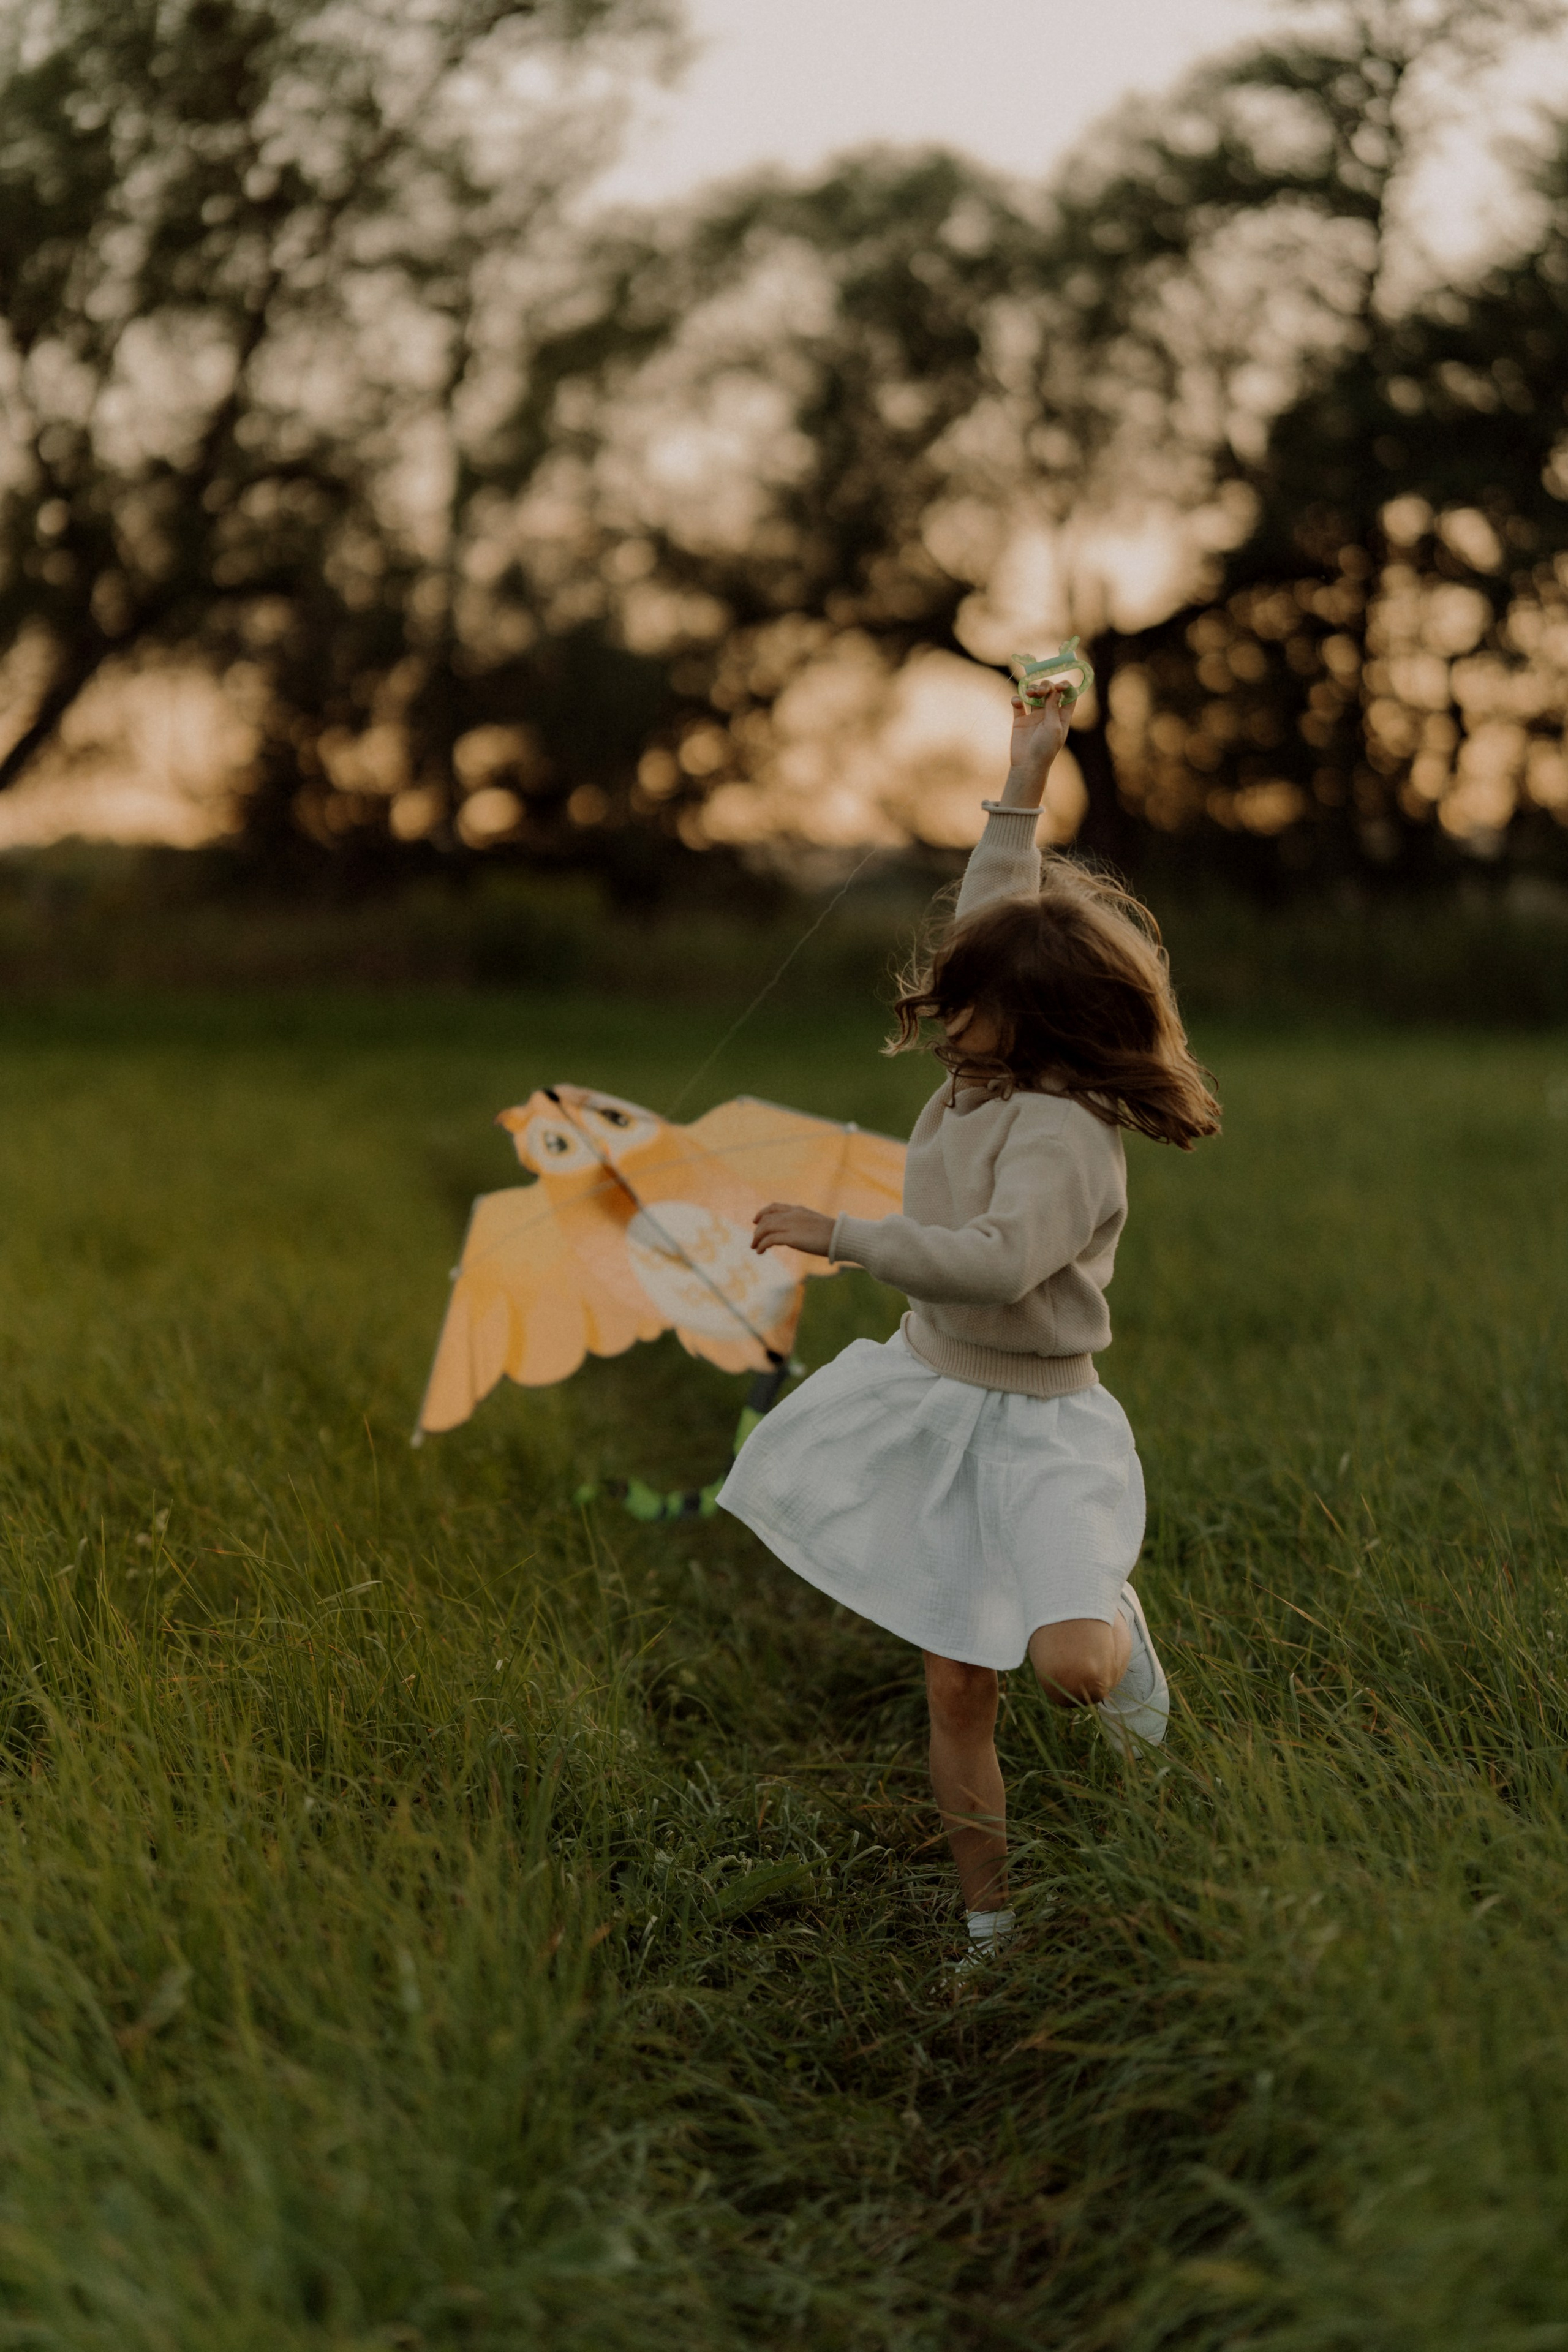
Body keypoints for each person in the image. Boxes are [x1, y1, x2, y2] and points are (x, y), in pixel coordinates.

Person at [718, 680, 1221, 1969]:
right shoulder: (988, 1060)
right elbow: (1000, 895)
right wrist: (1024, 766)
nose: (939, 1017)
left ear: (1034, 1018)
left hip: (1043, 1429)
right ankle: (988, 1930)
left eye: (964, 1004)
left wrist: (845, 1234)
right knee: (956, 1683)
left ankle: (1112, 1621)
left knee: (1069, 1671)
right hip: (934, 1398)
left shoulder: (1058, 1134)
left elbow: (995, 1266)